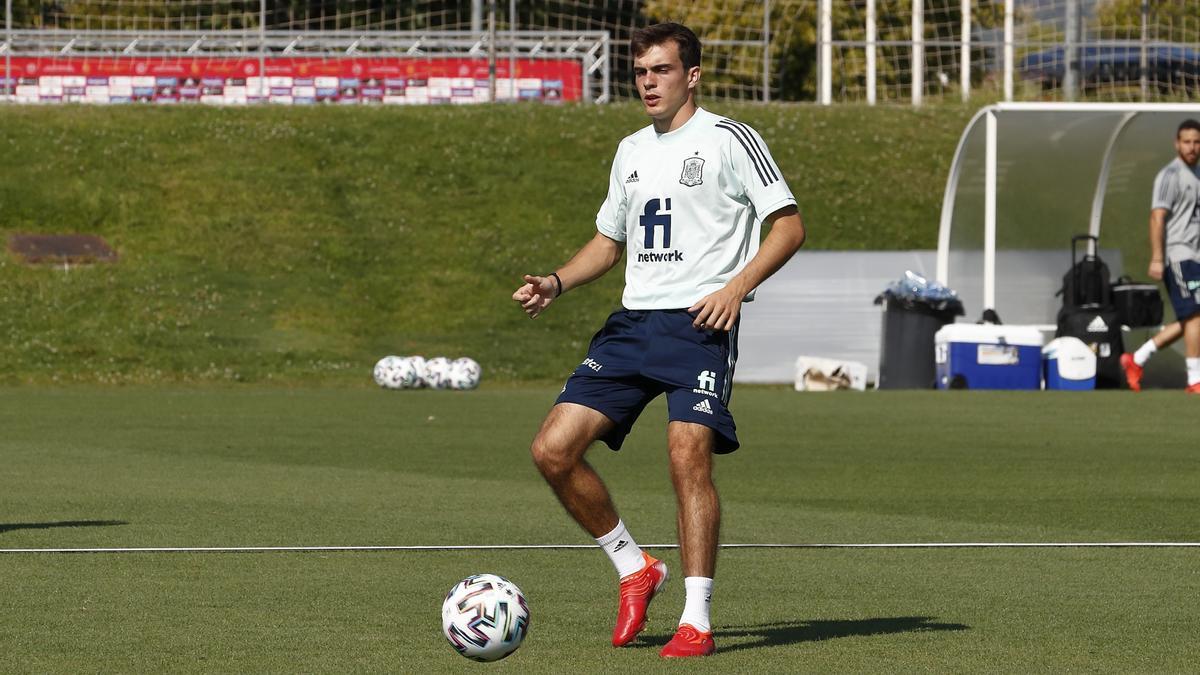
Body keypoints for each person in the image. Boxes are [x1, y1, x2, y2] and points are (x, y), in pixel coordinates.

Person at [510, 22, 805, 658]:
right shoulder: (629, 151)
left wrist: (736, 287)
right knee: (551, 451)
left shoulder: (730, 139)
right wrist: (557, 282)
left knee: (685, 457)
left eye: (661, 70)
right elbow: (609, 243)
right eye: (640, 71)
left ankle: (696, 618)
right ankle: (633, 568)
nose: (648, 82)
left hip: (699, 325)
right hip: (631, 326)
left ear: (691, 75)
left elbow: (787, 227)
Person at [1120, 119, 1200, 393]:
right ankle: (1194, 380)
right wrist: (1157, 257)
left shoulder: (1197, 174)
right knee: (1194, 317)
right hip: (1178, 256)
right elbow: (1157, 217)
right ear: (1177, 144)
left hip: (1195, 257)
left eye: (1196, 142)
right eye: (1186, 142)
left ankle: (1137, 358)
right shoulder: (1170, 175)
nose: (1192, 147)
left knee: (1192, 317)